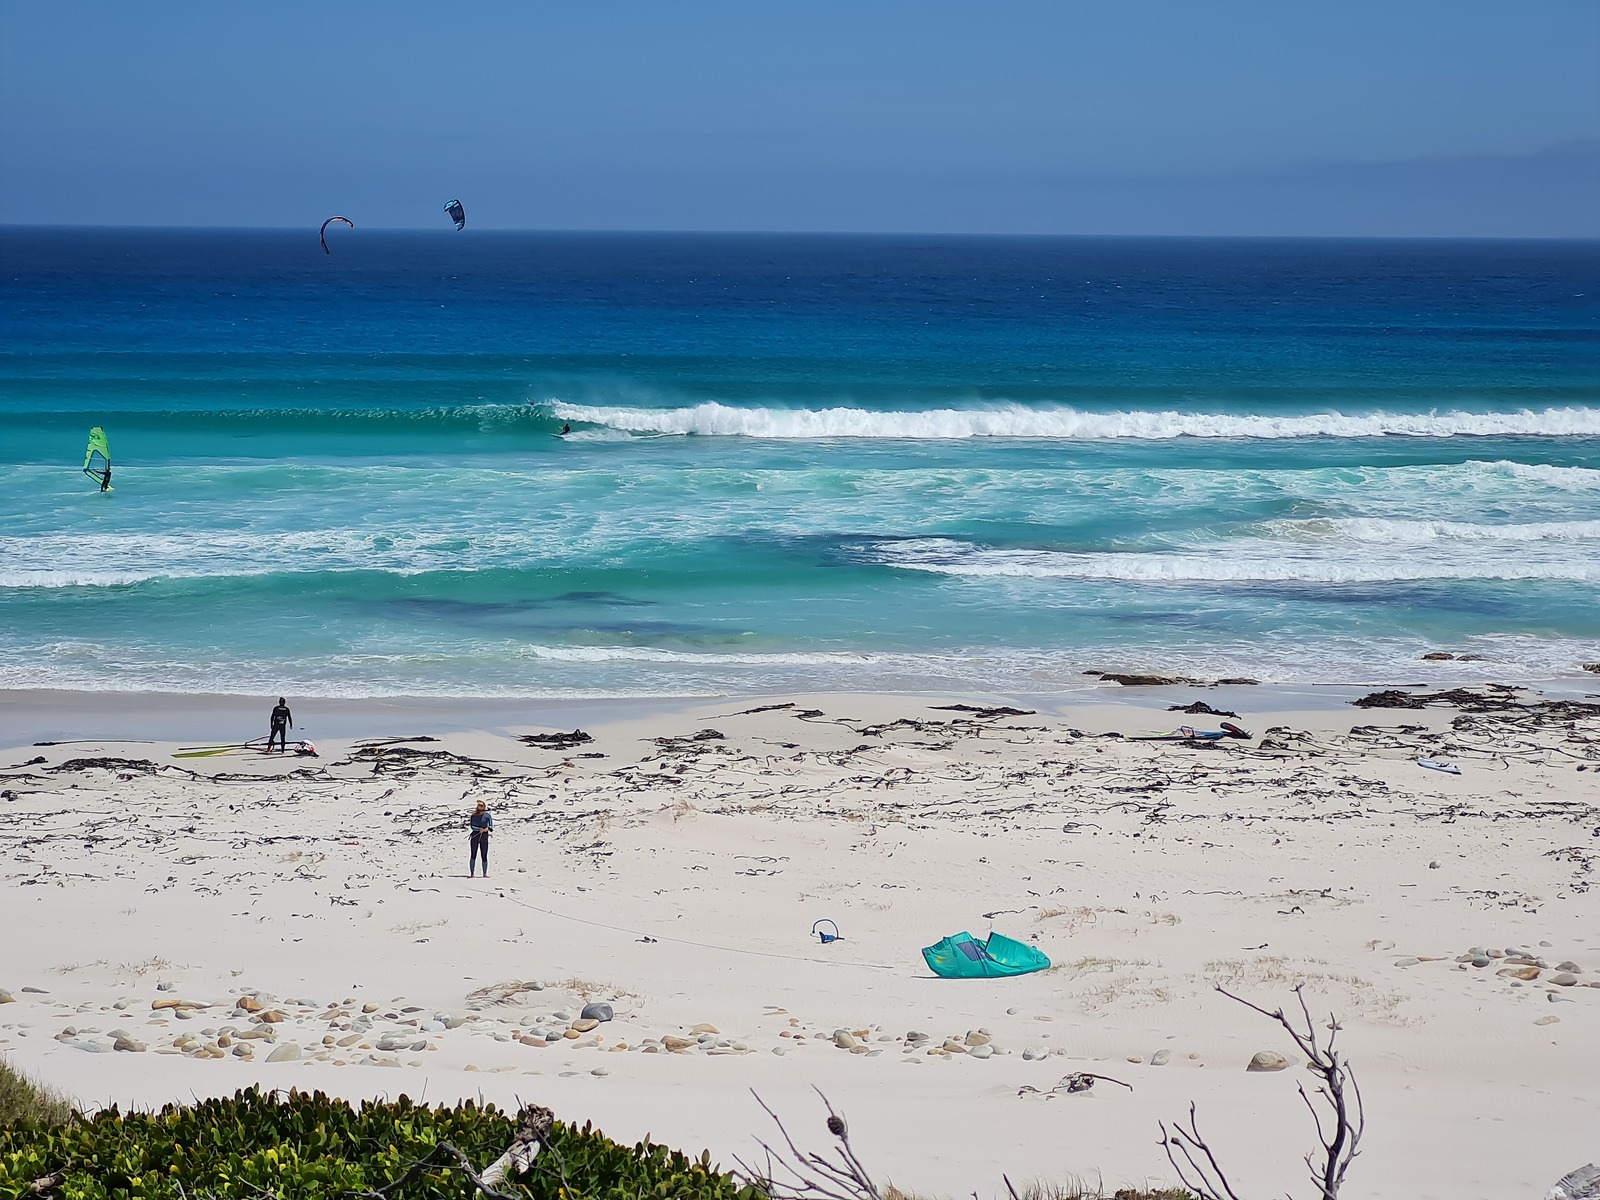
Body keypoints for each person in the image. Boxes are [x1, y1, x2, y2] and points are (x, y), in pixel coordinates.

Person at [469, 800, 493, 877]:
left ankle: (485, 873)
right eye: (479, 805)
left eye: (482, 805)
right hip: (475, 835)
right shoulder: (473, 815)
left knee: (484, 854)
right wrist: (479, 829)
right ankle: (472, 873)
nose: (480, 807)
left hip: (484, 836)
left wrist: (486, 829)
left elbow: (491, 826)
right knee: (473, 854)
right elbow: (472, 826)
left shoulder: (487, 816)